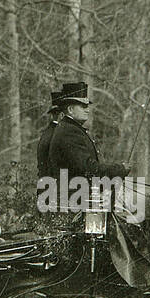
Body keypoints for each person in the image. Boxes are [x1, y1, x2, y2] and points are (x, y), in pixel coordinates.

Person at [45, 81, 129, 210]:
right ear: (70, 109)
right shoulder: (69, 132)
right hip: (74, 202)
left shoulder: (72, 129)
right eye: (83, 106)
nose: (87, 109)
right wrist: (118, 169)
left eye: (87, 106)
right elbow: (88, 167)